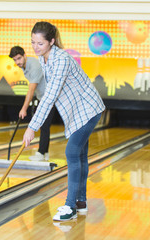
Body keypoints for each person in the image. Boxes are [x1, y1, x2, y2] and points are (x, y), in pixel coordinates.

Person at [22, 22, 105, 221]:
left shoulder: (61, 60)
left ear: (51, 41)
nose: (35, 47)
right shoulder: (44, 58)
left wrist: (32, 126)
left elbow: (50, 96)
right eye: (33, 42)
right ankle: (81, 202)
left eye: (40, 43)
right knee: (80, 155)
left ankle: (70, 207)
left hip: (88, 109)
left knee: (72, 152)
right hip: (77, 111)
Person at [9, 46, 56, 161]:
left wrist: (24, 108)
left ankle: (41, 153)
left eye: (19, 58)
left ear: (25, 55)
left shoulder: (34, 66)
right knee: (43, 125)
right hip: (43, 97)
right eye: (15, 60)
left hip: (51, 96)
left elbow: (31, 90)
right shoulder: (24, 66)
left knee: (44, 125)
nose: (17, 62)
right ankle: (44, 153)